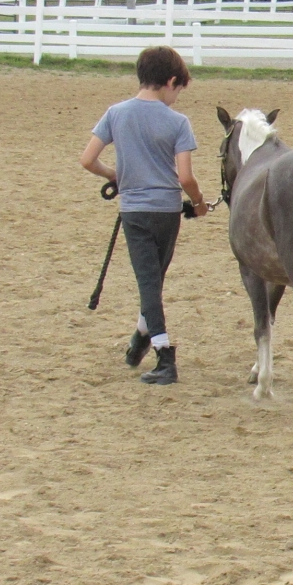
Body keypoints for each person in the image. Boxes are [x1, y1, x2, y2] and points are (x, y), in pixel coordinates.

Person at [79, 46, 208, 385]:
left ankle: (147, 341)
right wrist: (199, 203)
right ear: (170, 81)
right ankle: (161, 352)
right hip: (167, 211)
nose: (177, 97)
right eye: (178, 90)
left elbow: (88, 159)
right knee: (153, 282)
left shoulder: (116, 113)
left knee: (149, 282)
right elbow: (185, 178)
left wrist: (115, 176)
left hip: (134, 210)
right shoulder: (178, 122)